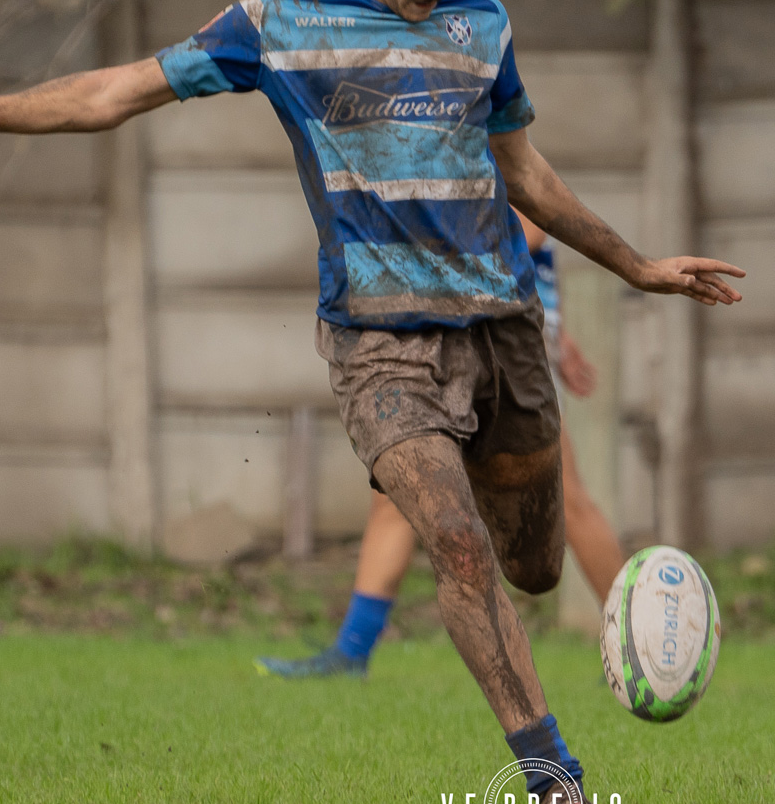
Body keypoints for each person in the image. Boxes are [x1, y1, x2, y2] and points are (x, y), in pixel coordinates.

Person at [0, 0, 742, 804]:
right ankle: (552, 783)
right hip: (379, 342)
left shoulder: (481, 23)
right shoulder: (278, 24)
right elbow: (114, 93)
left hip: (502, 326)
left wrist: (639, 264)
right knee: (453, 538)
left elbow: (524, 175)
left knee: (532, 563)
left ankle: (555, 635)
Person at [256, 209, 625, 678]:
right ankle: (351, 651)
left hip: (494, 327)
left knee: (566, 498)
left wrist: (546, 328)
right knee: (399, 487)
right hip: (461, 321)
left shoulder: (475, 137)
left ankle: (635, 640)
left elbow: (531, 223)